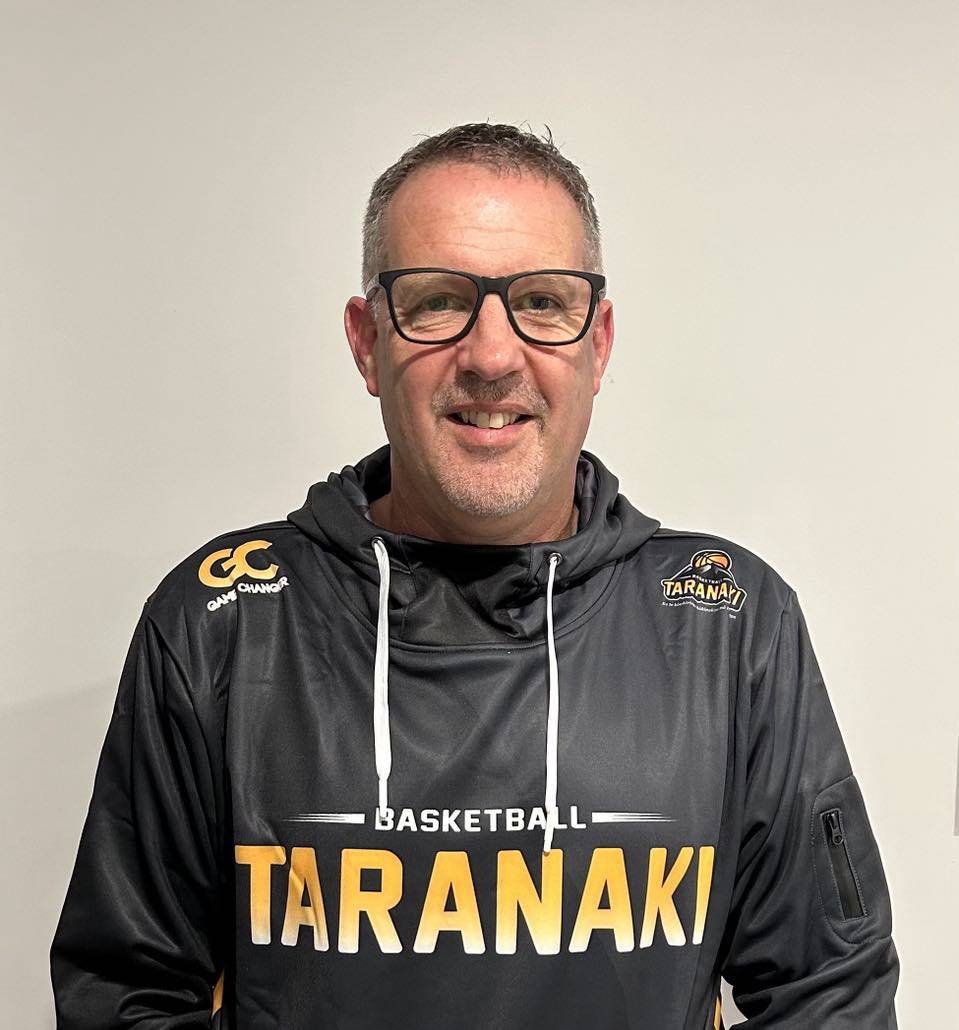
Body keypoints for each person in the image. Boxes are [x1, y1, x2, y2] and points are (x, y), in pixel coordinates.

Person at [51, 123, 899, 1029]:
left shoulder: (728, 625)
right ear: (366, 342)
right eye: (437, 301)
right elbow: (127, 999)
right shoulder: (223, 620)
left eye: (541, 301)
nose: (492, 357)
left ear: (598, 341)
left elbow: (827, 994)